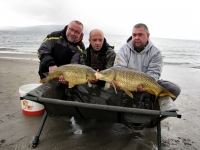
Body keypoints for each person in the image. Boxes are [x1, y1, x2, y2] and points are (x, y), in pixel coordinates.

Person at [113, 23, 181, 100]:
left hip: (147, 83)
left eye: (140, 35)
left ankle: (154, 101)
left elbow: (154, 73)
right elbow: (118, 68)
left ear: (148, 36)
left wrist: (144, 85)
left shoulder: (156, 53)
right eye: (134, 35)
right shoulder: (123, 50)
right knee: (111, 86)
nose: (136, 38)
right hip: (127, 83)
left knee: (175, 89)